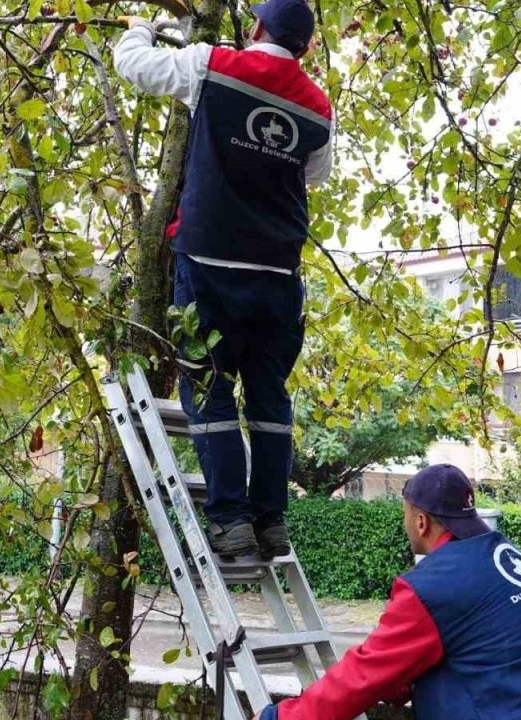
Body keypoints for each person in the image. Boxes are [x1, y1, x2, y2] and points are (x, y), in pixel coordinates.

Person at [113, 0, 333, 559]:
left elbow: (134, 66)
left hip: (210, 264)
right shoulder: (318, 108)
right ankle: (271, 521)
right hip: (279, 275)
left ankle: (231, 521)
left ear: (256, 27)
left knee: (210, 391)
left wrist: (141, 30)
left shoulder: (215, 65)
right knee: (268, 398)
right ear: (305, 47)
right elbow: (314, 174)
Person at [255, 464, 521, 720]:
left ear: (420, 521)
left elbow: (362, 676)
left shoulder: (433, 586)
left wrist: (277, 718)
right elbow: (483, 650)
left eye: (406, 515)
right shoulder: (506, 556)